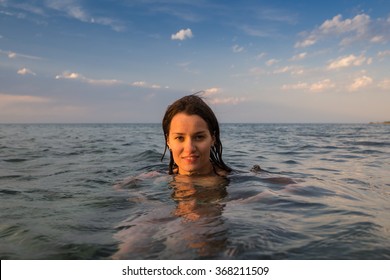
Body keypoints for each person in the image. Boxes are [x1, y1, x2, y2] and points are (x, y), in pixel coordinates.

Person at [161, 94, 232, 176]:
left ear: (213, 139)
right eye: (180, 138)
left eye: (199, 137)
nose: (189, 148)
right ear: (168, 141)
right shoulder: (152, 178)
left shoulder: (235, 182)